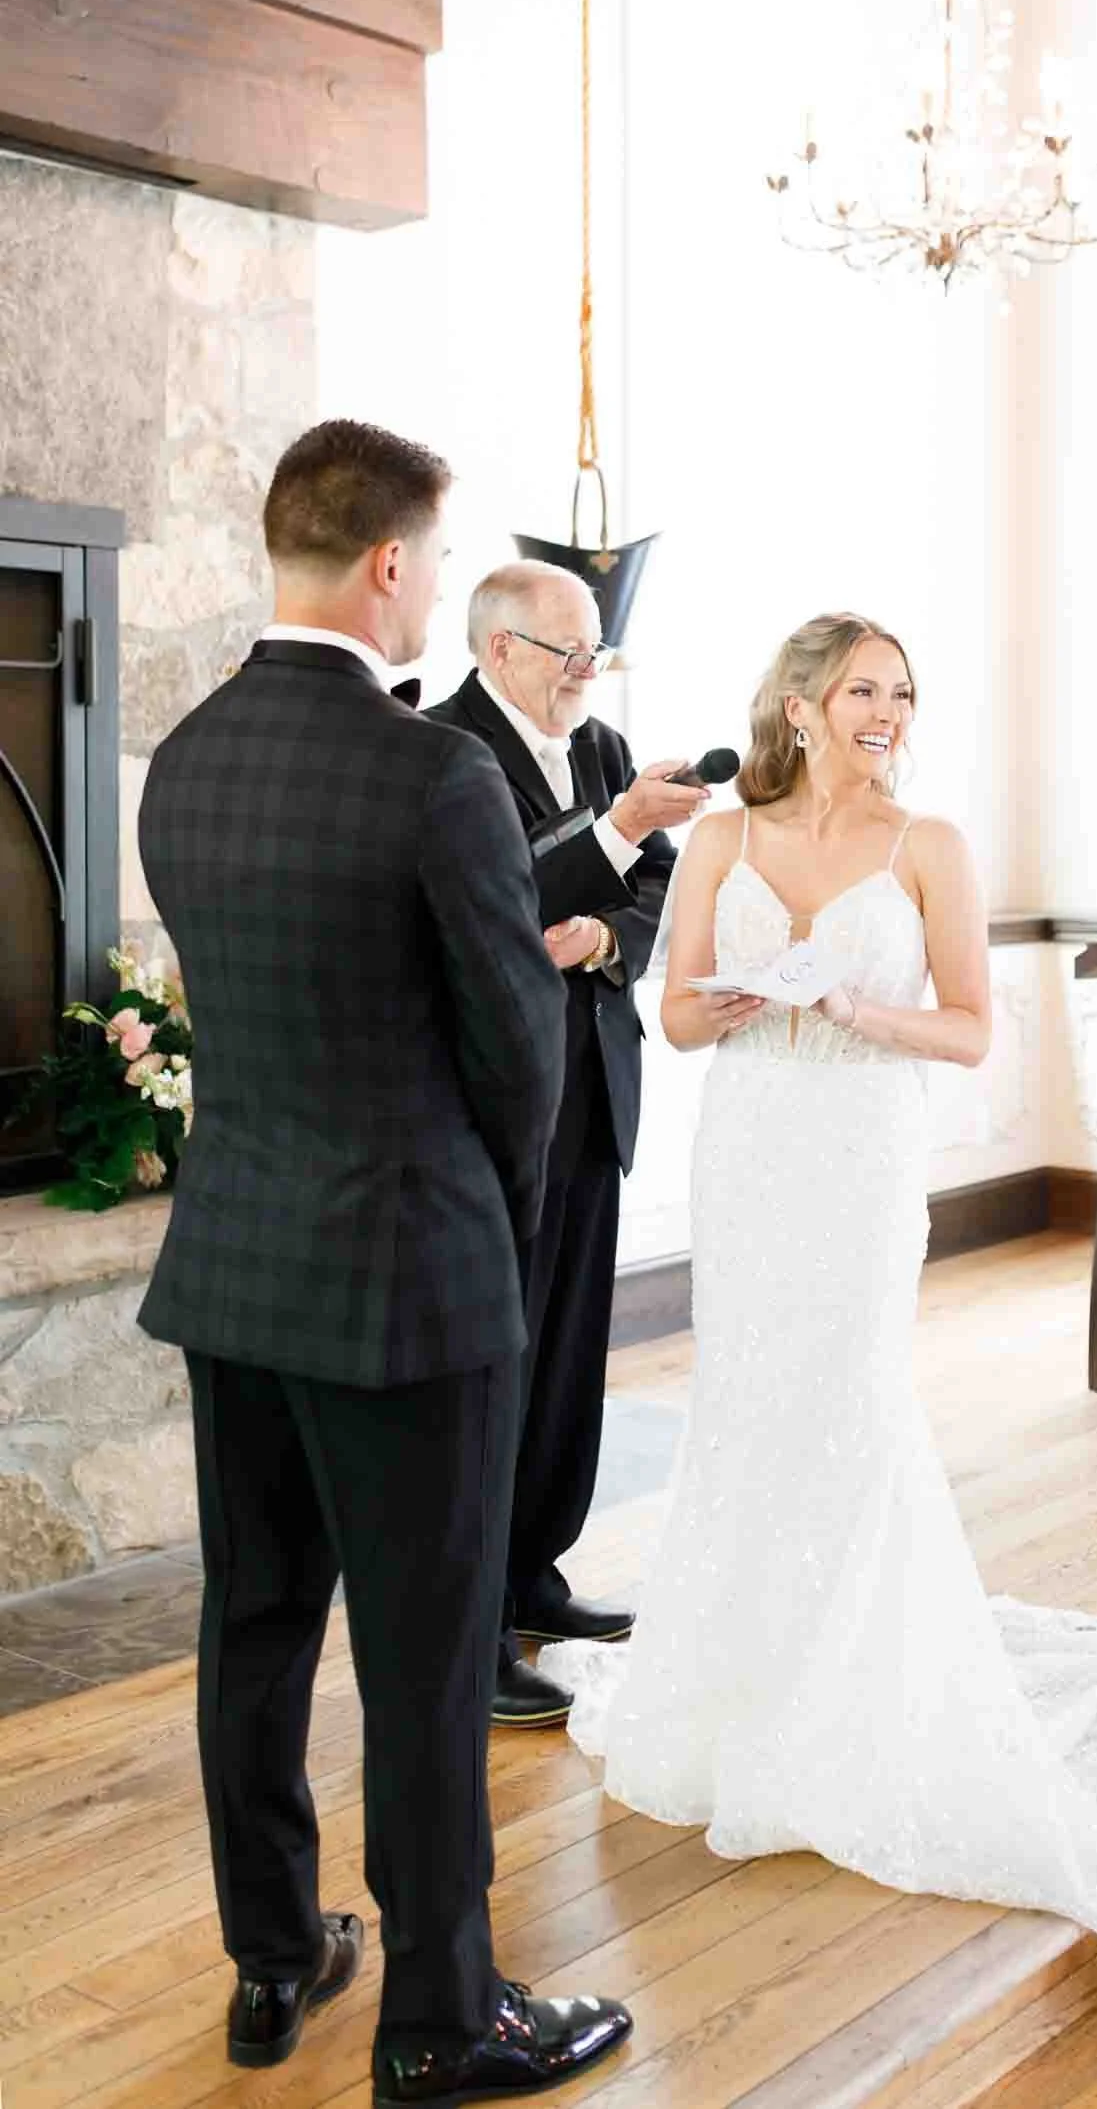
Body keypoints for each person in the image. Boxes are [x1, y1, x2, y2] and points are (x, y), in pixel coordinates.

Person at [543, 612, 1097, 2000]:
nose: (888, 713)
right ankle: (743, 1678)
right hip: (749, 1147)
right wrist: (737, 1004)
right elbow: (673, 1015)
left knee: (851, 1397)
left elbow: (976, 1026)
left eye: (903, 694)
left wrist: (860, 1012)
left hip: (861, 1151)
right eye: (864, 690)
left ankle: (855, 1683)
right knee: (745, 1404)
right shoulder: (729, 839)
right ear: (798, 705)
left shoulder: (931, 846)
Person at [137, 422, 630, 2104]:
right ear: (394, 567)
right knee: (424, 1659)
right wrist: (491, 1226)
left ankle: (276, 1959)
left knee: (256, 1624)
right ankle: (442, 2012)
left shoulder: (182, 758)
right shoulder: (440, 776)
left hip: (234, 1269)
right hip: (413, 1280)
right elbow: (520, 1056)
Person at [425, 563, 704, 1727]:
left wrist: (607, 938)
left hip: (595, 1079)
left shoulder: (602, 746)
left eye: (598, 652)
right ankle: (469, 1622)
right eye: (566, 653)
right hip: (493, 1099)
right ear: (498, 649)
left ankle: (536, 1569)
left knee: (574, 1346)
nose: (587, 673)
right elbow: (490, 902)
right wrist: (617, 834)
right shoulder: (439, 750)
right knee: (497, 1361)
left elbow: (654, 884)